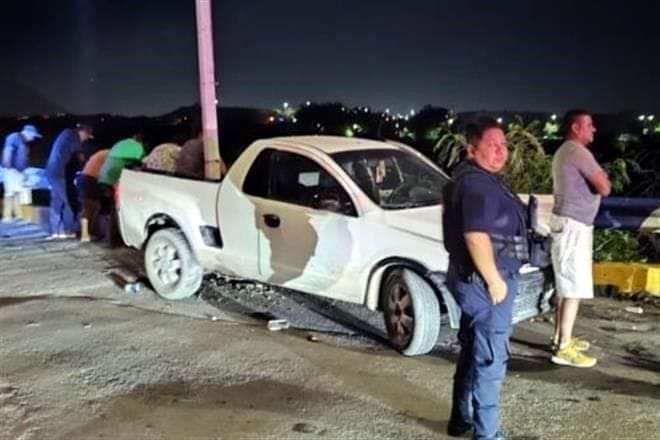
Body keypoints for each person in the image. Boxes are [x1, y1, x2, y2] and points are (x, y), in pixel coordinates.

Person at [443, 117, 526, 440]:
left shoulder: (464, 179)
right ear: (471, 149)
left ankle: (460, 419)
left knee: (472, 349)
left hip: (467, 277)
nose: (500, 151)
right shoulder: (477, 184)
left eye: (504, 145)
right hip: (485, 282)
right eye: (492, 145)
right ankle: (487, 435)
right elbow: (476, 236)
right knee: (491, 360)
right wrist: (495, 280)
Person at [550, 110, 611, 368]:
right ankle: (564, 348)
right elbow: (604, 186)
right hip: (573, 226)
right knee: (573, 287)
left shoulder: (565, 151)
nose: (594, 129)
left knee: (566, 286)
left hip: (569, 224)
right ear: (576, 128)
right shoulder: (577, 152)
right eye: (589, 125)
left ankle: (560, 338)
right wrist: (604, 178)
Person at [45, 124, 94, 238]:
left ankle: (55, 231)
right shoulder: (73, 136)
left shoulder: (65, 133)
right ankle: (67, 230)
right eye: (86, 137)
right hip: (58, 173)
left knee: (57, 201)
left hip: (51, 172)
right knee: (69, 201)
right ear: (83, 132)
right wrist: (85, 166)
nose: (85, 140)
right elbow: (79, 155)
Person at [98, 134, 145, 245]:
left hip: (103, 179)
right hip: (111, 180)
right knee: (115, 210)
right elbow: (141, 162)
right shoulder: (135, 147)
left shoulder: (121, 144)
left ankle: (109, 238)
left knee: (109, 210)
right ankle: (113, 240)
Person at [2, 125, 41, 222]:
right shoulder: (14, 137)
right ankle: (7, 216)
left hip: (19, 171)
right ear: (27, 133)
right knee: (10, 193)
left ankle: (19, 215)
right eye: (33, 136)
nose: (33, 138)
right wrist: (10, 167)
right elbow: (8, 152)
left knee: (19, 192)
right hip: (12, 170)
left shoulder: (24, 142)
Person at [77, 148, 109, 242]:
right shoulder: (109, 155)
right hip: (90, 180)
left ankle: (91, 233)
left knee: (94, 207)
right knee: (89, 208)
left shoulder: (103, 152)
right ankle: (85, 234)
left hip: (86, 179)